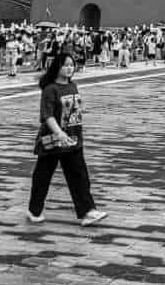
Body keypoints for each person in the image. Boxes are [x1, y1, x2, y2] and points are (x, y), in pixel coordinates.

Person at [28, 52, 107, 227]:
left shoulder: (73, 86)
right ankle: (34, 210)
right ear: (57, 67)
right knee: (42, 177)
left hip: (73, 139)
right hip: (53, 141)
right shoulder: (50, 89)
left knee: (79, 176)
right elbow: (47, 115)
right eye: (66, 65)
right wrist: (59, 133)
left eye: (72, 65)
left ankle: (88, 211)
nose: (70, 68)